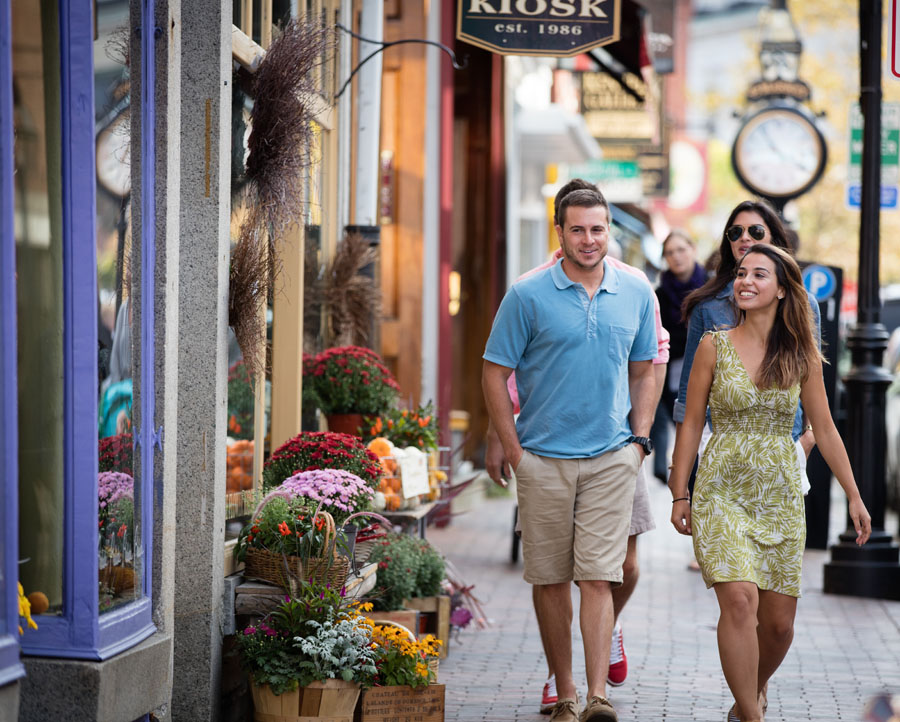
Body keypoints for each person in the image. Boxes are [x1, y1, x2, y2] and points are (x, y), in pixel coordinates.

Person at [486, 178, 670, 712]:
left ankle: (595, 698)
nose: (590, 239)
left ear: (609, 229)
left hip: (612, 457)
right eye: (579, 230)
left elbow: (646, 369)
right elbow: (494, 374)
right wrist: (513, 448)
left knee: (600, 577)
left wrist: (638, 438)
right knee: (550, 580)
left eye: (599, 228)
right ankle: (563, 691)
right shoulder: (527, 293)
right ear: (560, 232)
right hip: (542, 457)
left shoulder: (636, 289)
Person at [668, 243, 871, 722]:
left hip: (780, 493)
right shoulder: (712, 345)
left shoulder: (800, 354)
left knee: (778, 627)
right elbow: (691, 422)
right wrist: (681, 491)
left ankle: (749, 694)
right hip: (722, 489)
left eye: (760, 275)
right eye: (741, 273)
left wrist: (855, 496)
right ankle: (753, 717)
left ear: (782, 290)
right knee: (739, 600)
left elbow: (824, 427)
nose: (746, 281)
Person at [673, 201, 820, 502]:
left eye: (755, 230)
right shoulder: (708, 306)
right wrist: (680, 481)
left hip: (783, 451)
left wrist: (805, 442)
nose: (744, 237)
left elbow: (813, 387)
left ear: (775, 239)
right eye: (735, 232)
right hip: (720, 449)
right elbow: (688, 399)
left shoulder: (803, 303)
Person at [649, 230, 708, 482]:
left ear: (693, 249)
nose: (676, 256)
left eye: (681, 250)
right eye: (670, 253)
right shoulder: (660, 294)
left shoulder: (710, 286)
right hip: (674, 373)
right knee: (684, 429)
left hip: (709, 368)